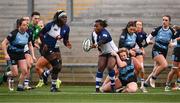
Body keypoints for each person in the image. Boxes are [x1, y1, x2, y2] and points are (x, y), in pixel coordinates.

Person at [39, 10, 72, 92]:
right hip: (46, 47)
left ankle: (46, 75)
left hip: (56, 48)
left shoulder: (66, 28)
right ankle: (53, 86)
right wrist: (44, 43)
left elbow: (65, 39)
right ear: (58, 18)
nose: (65, 19)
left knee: (58, 67)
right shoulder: (51, 25)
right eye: (63, 17)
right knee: (56, 65)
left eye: (66, 17)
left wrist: (67, 43)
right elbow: (40, 33)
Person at [1, 18, 36, 91]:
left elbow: (30, 44)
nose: (26, 26)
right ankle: (5, 75)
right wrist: (6, 54)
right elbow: (3, 43)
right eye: (24, 25)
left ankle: (20, 86)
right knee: (15, 74)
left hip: (20, 53)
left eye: (27, 25)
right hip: (12, 54)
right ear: (19, 26)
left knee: (25, 71)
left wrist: (33, 56)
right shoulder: (14, 33)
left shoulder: (28, 34)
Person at [145, 15, 176, 88]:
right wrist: (149, 41)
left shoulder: (171, 31)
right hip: (156, 50)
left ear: (169, 22)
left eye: (166, 20)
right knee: (164, 65)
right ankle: (153, 78)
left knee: (155, 69)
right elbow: (148, 38)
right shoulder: (158, 29)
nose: (164, 22)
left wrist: (172, 44)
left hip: (164, 51)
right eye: (163, 20)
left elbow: (175, 42)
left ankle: (145, 83)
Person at [91, 19, 118, 92]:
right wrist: (98, 50)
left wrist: (96, 45)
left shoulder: (105, 32)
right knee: (100, 68)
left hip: (112, 52)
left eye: (97, 26)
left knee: (110, 67)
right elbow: (95, 43)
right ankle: (97, 88)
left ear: (102, 27)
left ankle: (113, 86)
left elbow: (103, 40)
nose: (95, 27)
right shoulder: (93, 34)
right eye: (94, 26)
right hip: (103, 52)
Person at [164, 25, 180, 91]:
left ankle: (177, 84)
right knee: (174, 69)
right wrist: (174, 42)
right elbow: (170, 44)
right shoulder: (171, 34)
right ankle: (167, 85)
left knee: (177, 68)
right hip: (177, 51)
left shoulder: (178, 31)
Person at [134, 20, 148, 92]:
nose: (138, 26)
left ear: (142, 26)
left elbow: (147, 42)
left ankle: (142, 85)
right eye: (137, 24)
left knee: (142, 69)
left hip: (139, 52)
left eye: (140, 25)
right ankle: (133, 84)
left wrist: (142, 48)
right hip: (132, 52)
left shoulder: (144, 33)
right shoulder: (132, 33)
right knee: (135, 71)